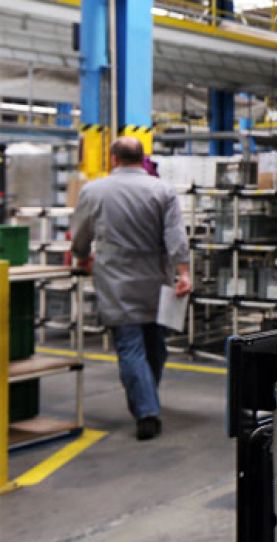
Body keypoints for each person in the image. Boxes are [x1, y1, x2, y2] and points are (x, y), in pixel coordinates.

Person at [70, 137, 191, 441]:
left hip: (115, 281)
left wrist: (82, 256)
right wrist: (184, 273)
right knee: (155, 346)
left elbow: (81, 233)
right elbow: (176, 236)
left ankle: (146, 411)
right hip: (155, 279)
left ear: (113, 158)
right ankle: (147, 399)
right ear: (142, 157)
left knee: (130, 347)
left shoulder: (94, 190)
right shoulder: (162, 190)